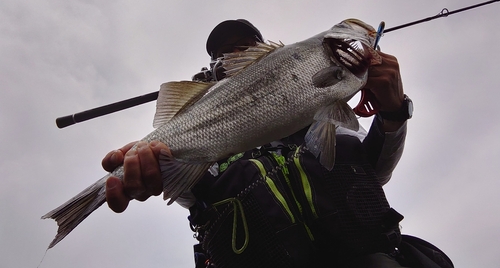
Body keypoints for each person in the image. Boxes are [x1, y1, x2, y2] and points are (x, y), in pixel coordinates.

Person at [102, 20, 452, 268]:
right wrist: (155, 168)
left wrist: (393, 113)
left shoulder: (321, 106)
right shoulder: (201, 115)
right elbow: (193, 194)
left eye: (246, 46)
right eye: (223, 52)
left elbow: (374, 168)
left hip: (364, 255)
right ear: (213, 67)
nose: (234, 52)